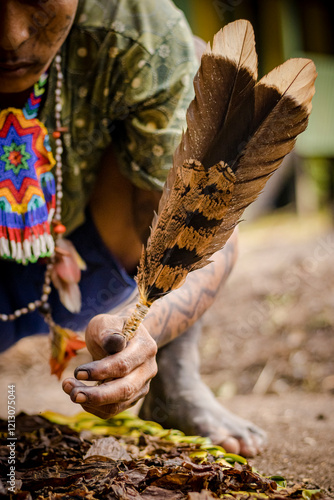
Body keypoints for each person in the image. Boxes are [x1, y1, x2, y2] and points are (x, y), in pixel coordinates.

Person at [0, 0, 266, 457]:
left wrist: (143, 327)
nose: (12, 37)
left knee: (194, 78)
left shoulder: (134, 25)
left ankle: (174, 385)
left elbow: (205, 232)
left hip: (82, 267)